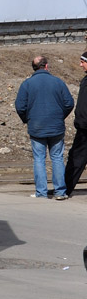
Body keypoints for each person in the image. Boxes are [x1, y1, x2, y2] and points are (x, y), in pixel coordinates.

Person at [15, 55, 74, 199]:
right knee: (57, 158)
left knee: (39, 159)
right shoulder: (58, 82)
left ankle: (41, 192)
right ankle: (60, 191)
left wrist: (28, 119)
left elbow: (20, 106)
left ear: (34, 68)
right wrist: (60, 117)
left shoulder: (27, 84)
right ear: (46, 66)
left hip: (36, 127)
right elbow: (69, 103)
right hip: (56, 127)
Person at [63, 51, 87, 197]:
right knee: (76, 159)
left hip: (85, 127)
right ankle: (65, 189)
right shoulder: (85, 80)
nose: (80, 65)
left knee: (77, 158)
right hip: (83, 128)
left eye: (83, 62)